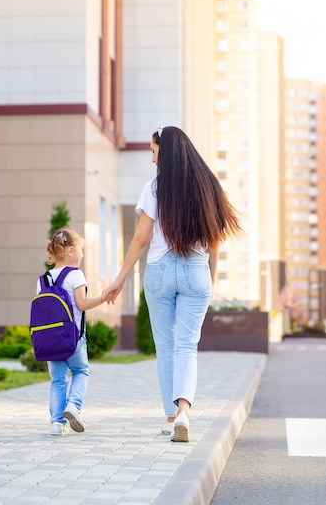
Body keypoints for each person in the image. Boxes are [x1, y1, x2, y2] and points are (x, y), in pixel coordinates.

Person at [102, 126, 241, 443]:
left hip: (160, 271)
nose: (152, 160)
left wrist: (119, 280)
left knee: (165, 348)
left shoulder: (154, 188)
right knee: (187, 346)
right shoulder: (208, 188)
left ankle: (170, 417)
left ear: (165, 152)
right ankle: (183, 413)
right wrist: (211, 279)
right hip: (196, 268)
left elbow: (140, 239)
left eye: (153, 152)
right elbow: (215, 242)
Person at [38, 227, 106, 436]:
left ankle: (57, 424)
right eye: (81, 249)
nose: (83, 254)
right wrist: (103, 298)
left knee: (58, 380)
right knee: (81, 371)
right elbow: (82, 304)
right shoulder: (76, 275)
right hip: (73, 337)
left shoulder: (44, 278)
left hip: (50, 339)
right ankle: (73, 406)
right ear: (69, 251)